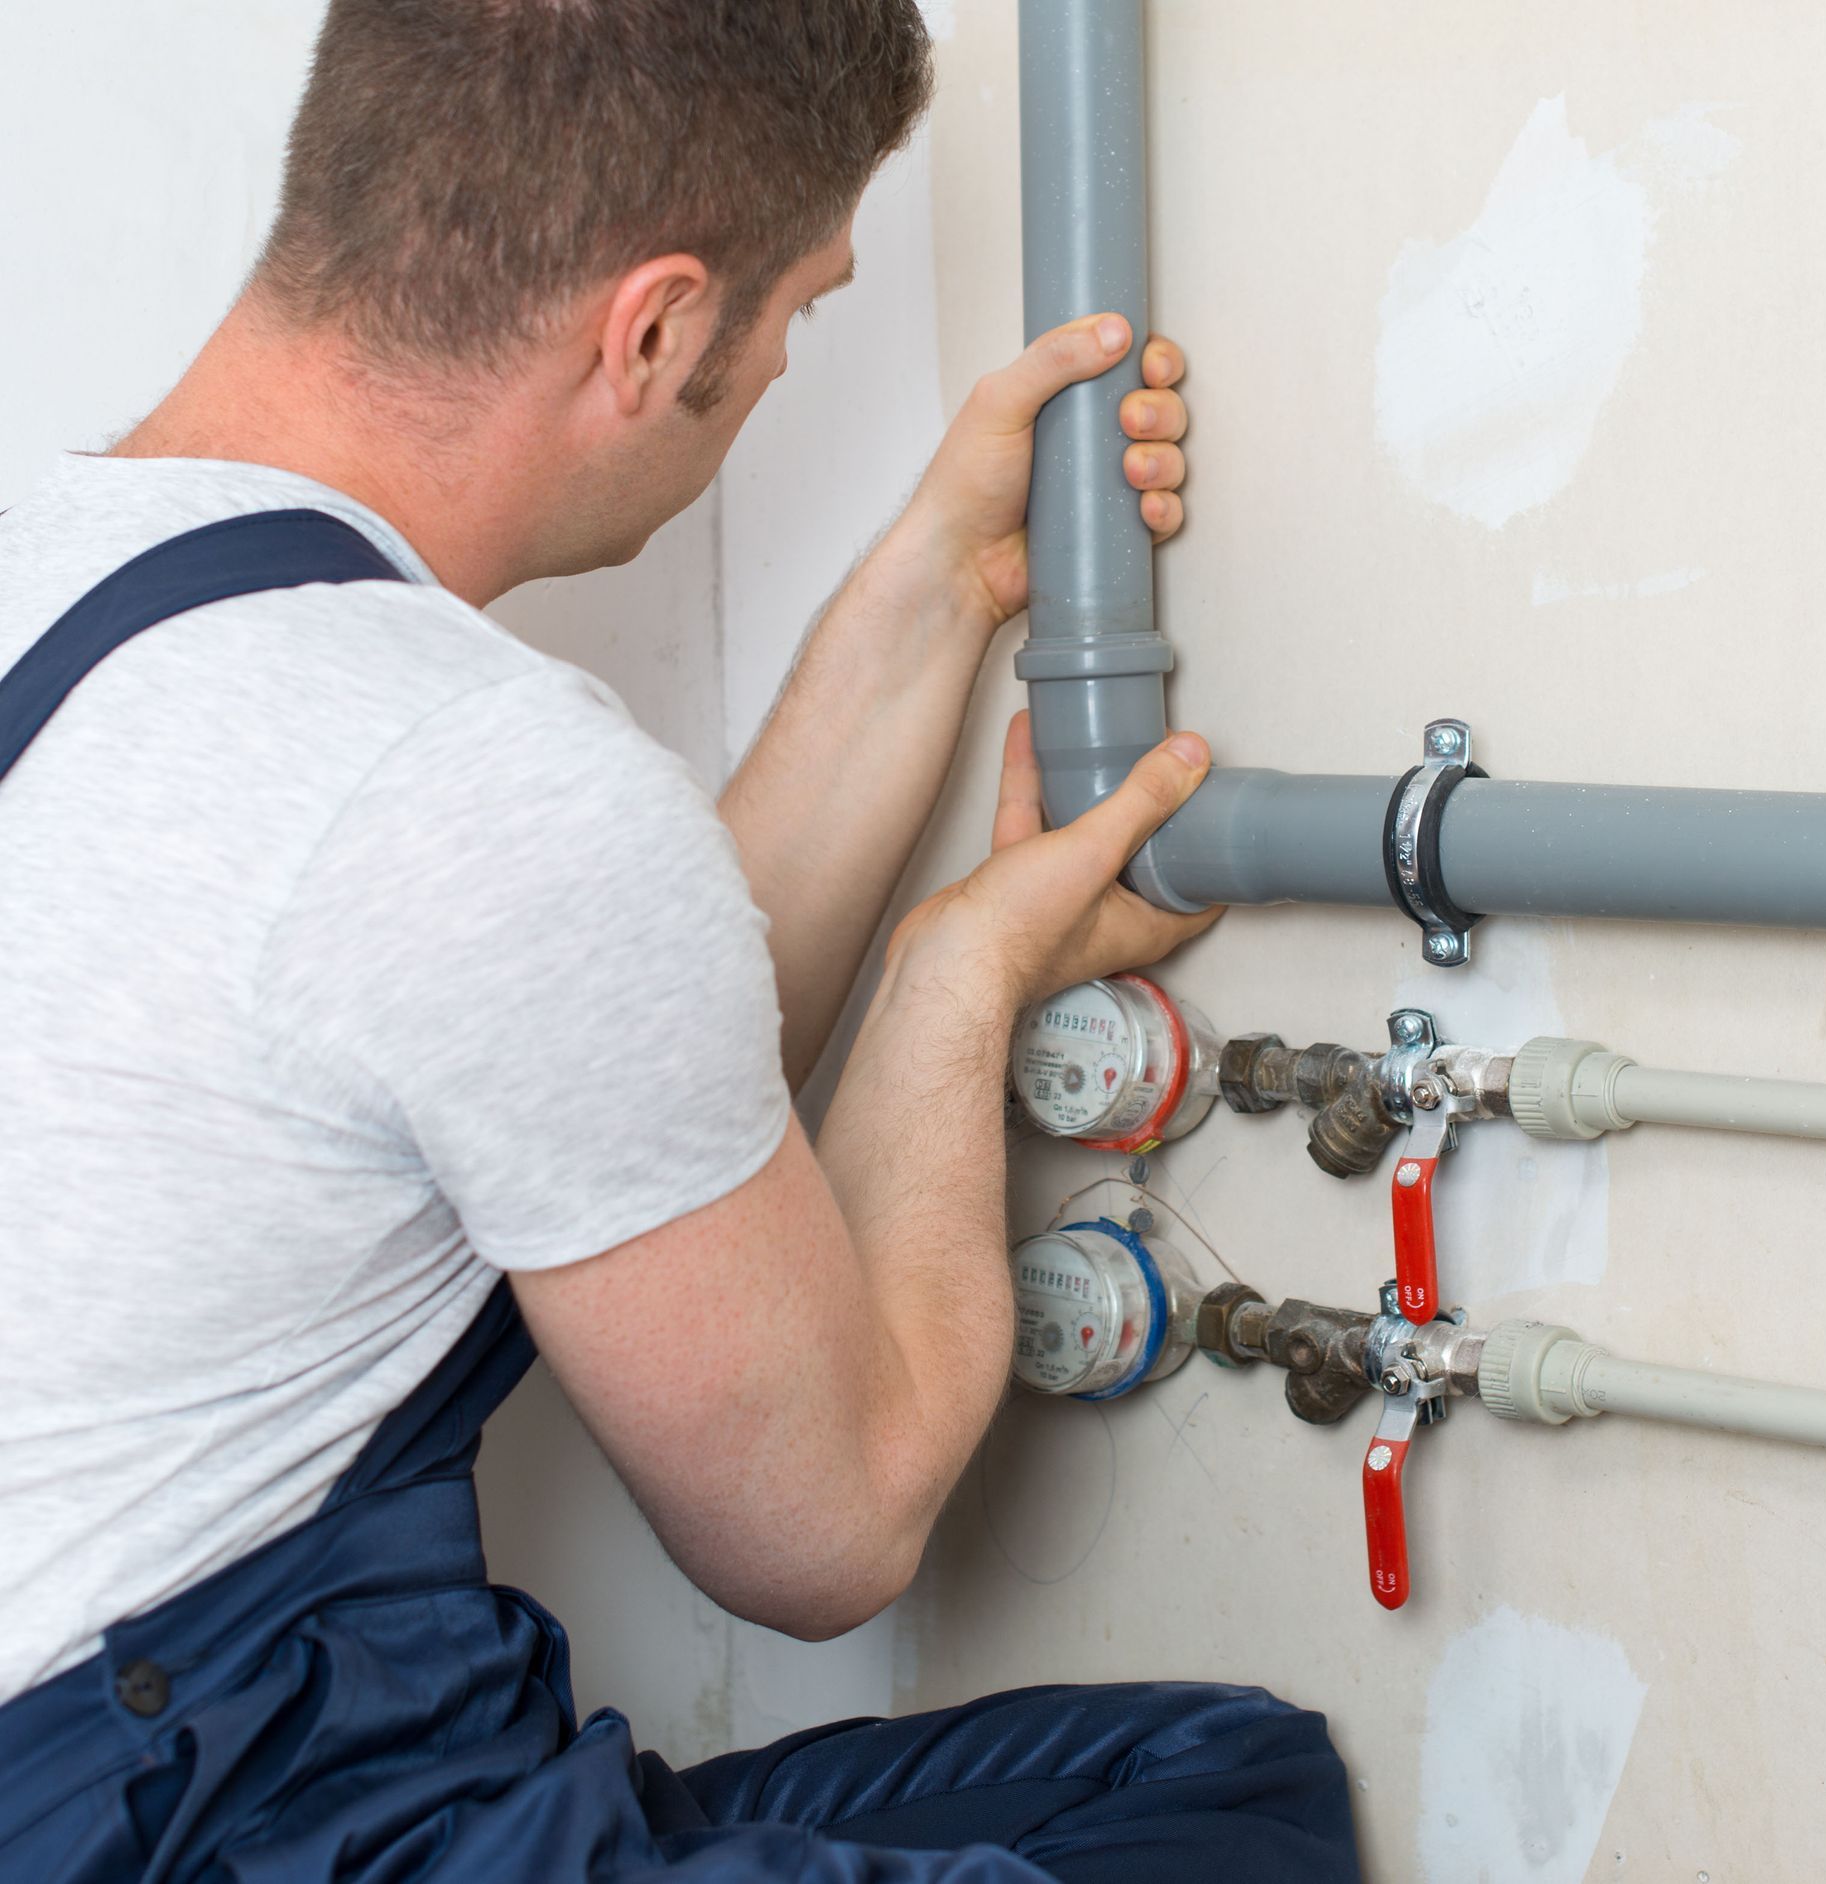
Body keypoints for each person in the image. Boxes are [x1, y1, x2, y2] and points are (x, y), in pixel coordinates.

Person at [0, 2, 1360, 1877]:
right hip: (179, 1823)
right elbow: (833, 1526)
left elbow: (606, 1073)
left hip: (127, 1762)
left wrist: (948, 583)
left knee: (1175, 1778)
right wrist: (957, 978)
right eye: (796, 318)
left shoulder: (61, 576)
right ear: (652, 330)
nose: (791, 357)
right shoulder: (460, 772)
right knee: (1231, 1819)